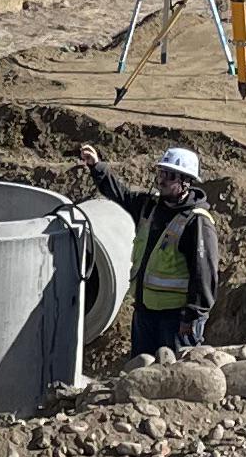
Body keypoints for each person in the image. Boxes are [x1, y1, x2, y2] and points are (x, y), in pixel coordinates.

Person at [83, 142, 221, 353]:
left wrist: (191, 317)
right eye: (161, 173)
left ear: (186, 182)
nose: (162, 179)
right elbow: (121, 194)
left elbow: (204, 275)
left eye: (170, 175)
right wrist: (97, 167)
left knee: (176, 377)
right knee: (142, 372)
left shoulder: (197, 222)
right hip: (145, 312)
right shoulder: (150, 206)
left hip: (177, 321)